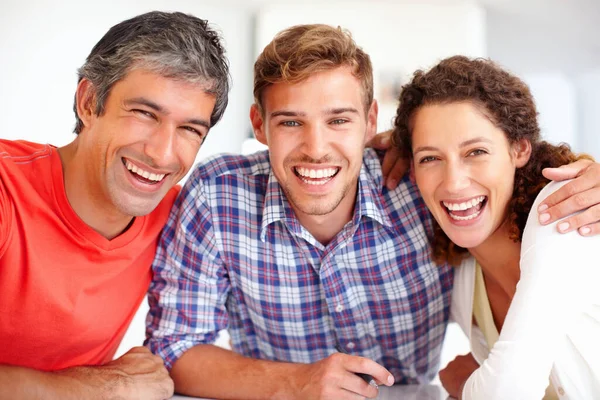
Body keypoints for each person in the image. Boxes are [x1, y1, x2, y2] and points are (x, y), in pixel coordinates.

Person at [145, 25, 600, 399]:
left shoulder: (419, 192)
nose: (316, 148)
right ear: (260, 125)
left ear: (370, 121)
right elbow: (173, 347)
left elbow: (498, 171)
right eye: (290, 122)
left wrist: (586, 172)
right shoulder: (217, 196)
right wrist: (293, 382)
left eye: (339, 120)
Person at [0, 11, 230, 399]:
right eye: (144, 113)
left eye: (190, 129)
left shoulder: (178, 217)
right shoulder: (7, 190)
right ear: (89, 102)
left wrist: (366, 166)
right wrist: (101, 387)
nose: (161, 153)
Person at [392, 55, 600, 399]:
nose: (454, 183)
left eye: (475, 151)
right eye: (430, 158)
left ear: (518, 149)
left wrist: (463, 384)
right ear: (412, 170)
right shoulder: (463, 280)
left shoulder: (563, 213)